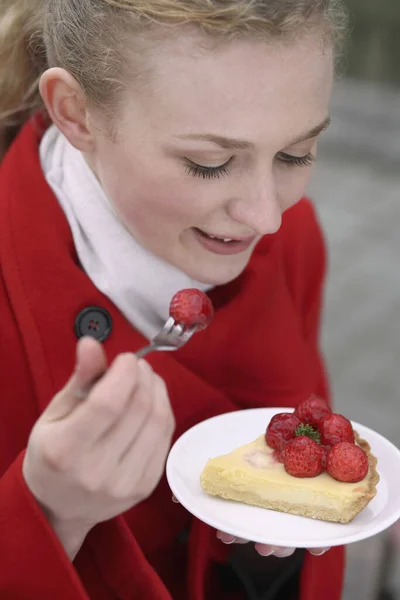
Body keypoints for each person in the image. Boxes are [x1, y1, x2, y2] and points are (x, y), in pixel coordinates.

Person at [0, 0, 349, 598]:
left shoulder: (296, 240)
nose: (265, 216)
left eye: (296, 154)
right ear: (76, 113)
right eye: (208, 164)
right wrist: (45, 517)